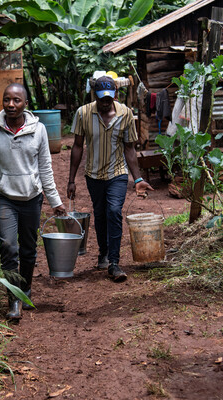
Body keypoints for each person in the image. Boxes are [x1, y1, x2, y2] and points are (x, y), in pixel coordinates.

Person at [0, 83, 66, 320]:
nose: (11, 105)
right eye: (7, 100)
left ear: (25, 104)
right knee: (8, 247)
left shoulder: (39, 130)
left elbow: (45, 168)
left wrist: (55, 201)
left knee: (28, 249)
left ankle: (25, 290)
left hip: (31, 198)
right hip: (5, 198)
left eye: (16, 100)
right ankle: (13, 299)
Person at [67, 76, 153, 282]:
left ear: (115, 94)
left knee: (114, 211)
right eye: (101, 98)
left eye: (109, 98)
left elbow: (129, 148)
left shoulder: (126, 114)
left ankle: (114, 262)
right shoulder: (83, 113)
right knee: (100, 214)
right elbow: (78, 146)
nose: (105, 102)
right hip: (93, 175)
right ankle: (103, 253)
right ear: (95, 95)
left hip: (118, 173)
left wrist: (138, 178)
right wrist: (71, 179)